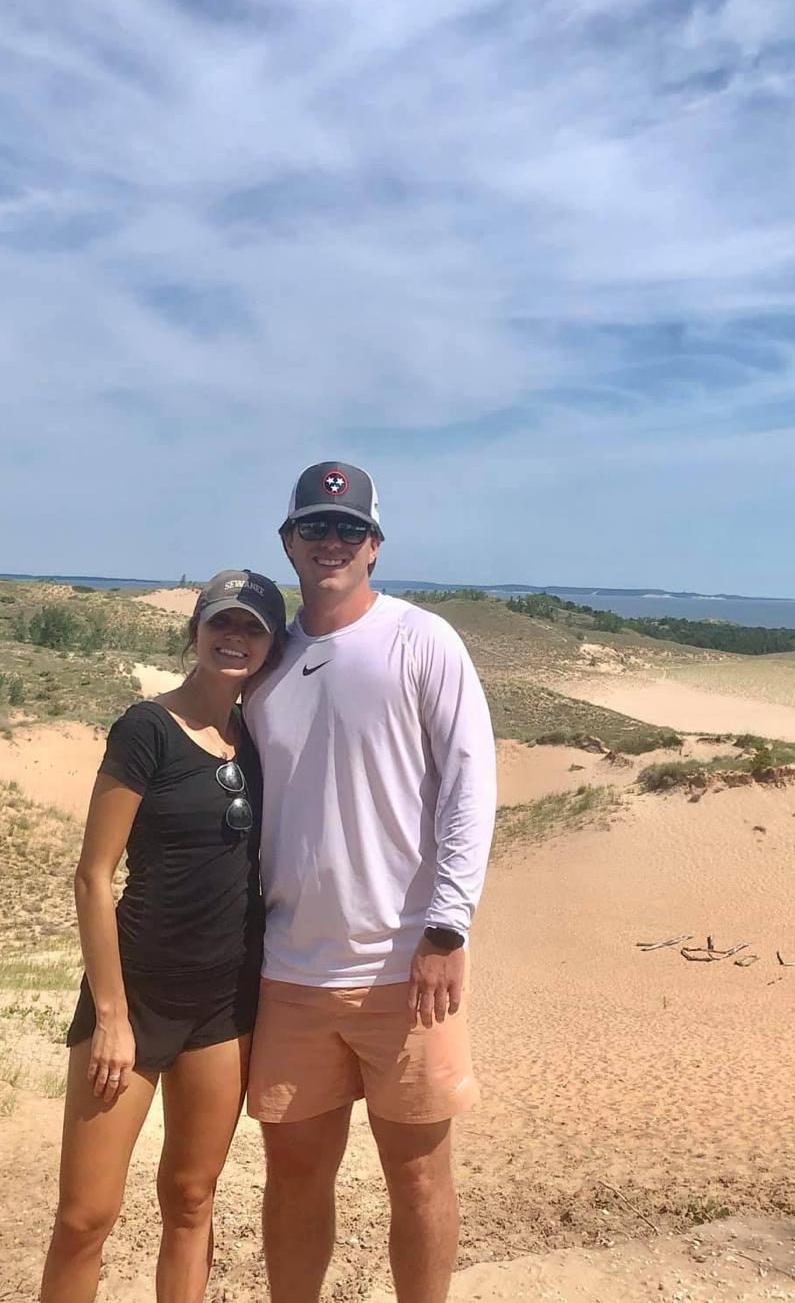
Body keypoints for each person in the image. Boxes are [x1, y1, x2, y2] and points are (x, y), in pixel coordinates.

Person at [243, 462, 497, 1303]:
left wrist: (447, 928)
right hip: (292, 971)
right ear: (288, 543)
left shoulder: (421, 640)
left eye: (348, 529)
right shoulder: (263, 668)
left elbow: (470, 784)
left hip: (406, 971)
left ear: (375, 547)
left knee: (418, 1179)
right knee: (296, 1179)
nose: (330, 542)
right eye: (314, 527)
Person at [40, 569, 288, 1303]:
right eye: (222, 622)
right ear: (195, 631)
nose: (234, 638)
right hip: (136, 998)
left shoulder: (262, 744)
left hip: (223, 1006)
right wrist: (111, 1017)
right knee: (85, 1216)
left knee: (191, 1200)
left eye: (252, 628)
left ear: (270, 646)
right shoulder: (146, 728)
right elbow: (92, 877)